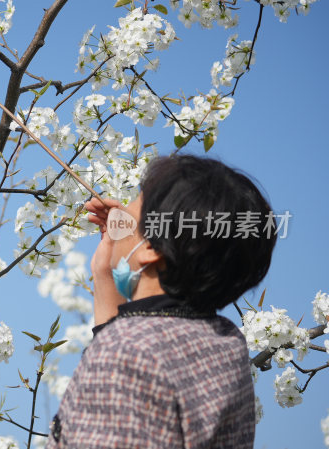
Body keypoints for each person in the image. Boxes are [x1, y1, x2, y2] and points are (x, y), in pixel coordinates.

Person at [44, 154, 277, 449]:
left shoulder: (127, 352)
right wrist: (105, 275)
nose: (122, 211)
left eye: (134, 203)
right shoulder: (228, 342)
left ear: (151, 247)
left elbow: (127, 356)